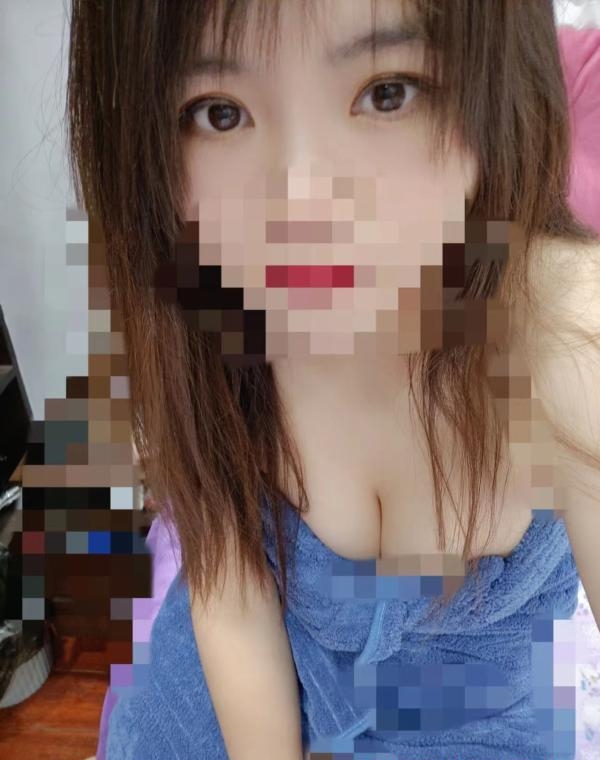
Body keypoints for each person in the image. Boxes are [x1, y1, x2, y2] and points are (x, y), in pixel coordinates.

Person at [65, 1, 600, 758]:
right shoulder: (213, 314)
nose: (301, 206)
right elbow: (230, 596)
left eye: (388, 92)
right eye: (220, 113)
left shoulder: (569, 338)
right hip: (221, 700)